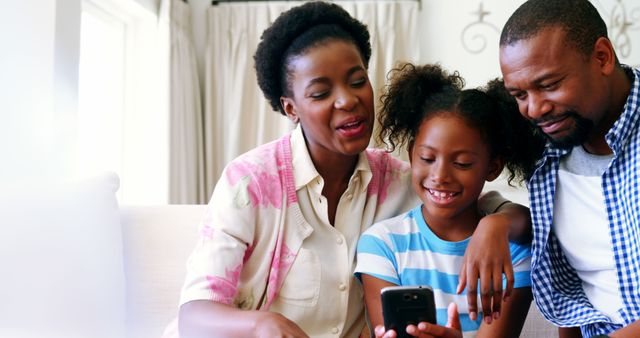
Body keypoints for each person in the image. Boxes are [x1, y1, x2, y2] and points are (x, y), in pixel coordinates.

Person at [175, 2, 529, 338]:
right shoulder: (250, 181)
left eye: (357, 81)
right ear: (290, 107)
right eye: (320, 92)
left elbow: (497, 209)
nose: (347, 100)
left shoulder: (401, 179)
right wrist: (261, 324)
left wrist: (496, 224)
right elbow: (193, 314)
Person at [355, 63, 543, 338]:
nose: (440, 175)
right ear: (410, 155)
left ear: (492, 167)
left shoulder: (512, 251)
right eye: (427, 159)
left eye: (462, 163)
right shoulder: (382, 244)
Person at [498, 0, 640, 337]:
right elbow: (573, 302)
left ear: (602, 57)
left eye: (549, 85)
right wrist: (498, 222)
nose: (534, 109)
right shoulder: (547, 157)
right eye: (519, 94)